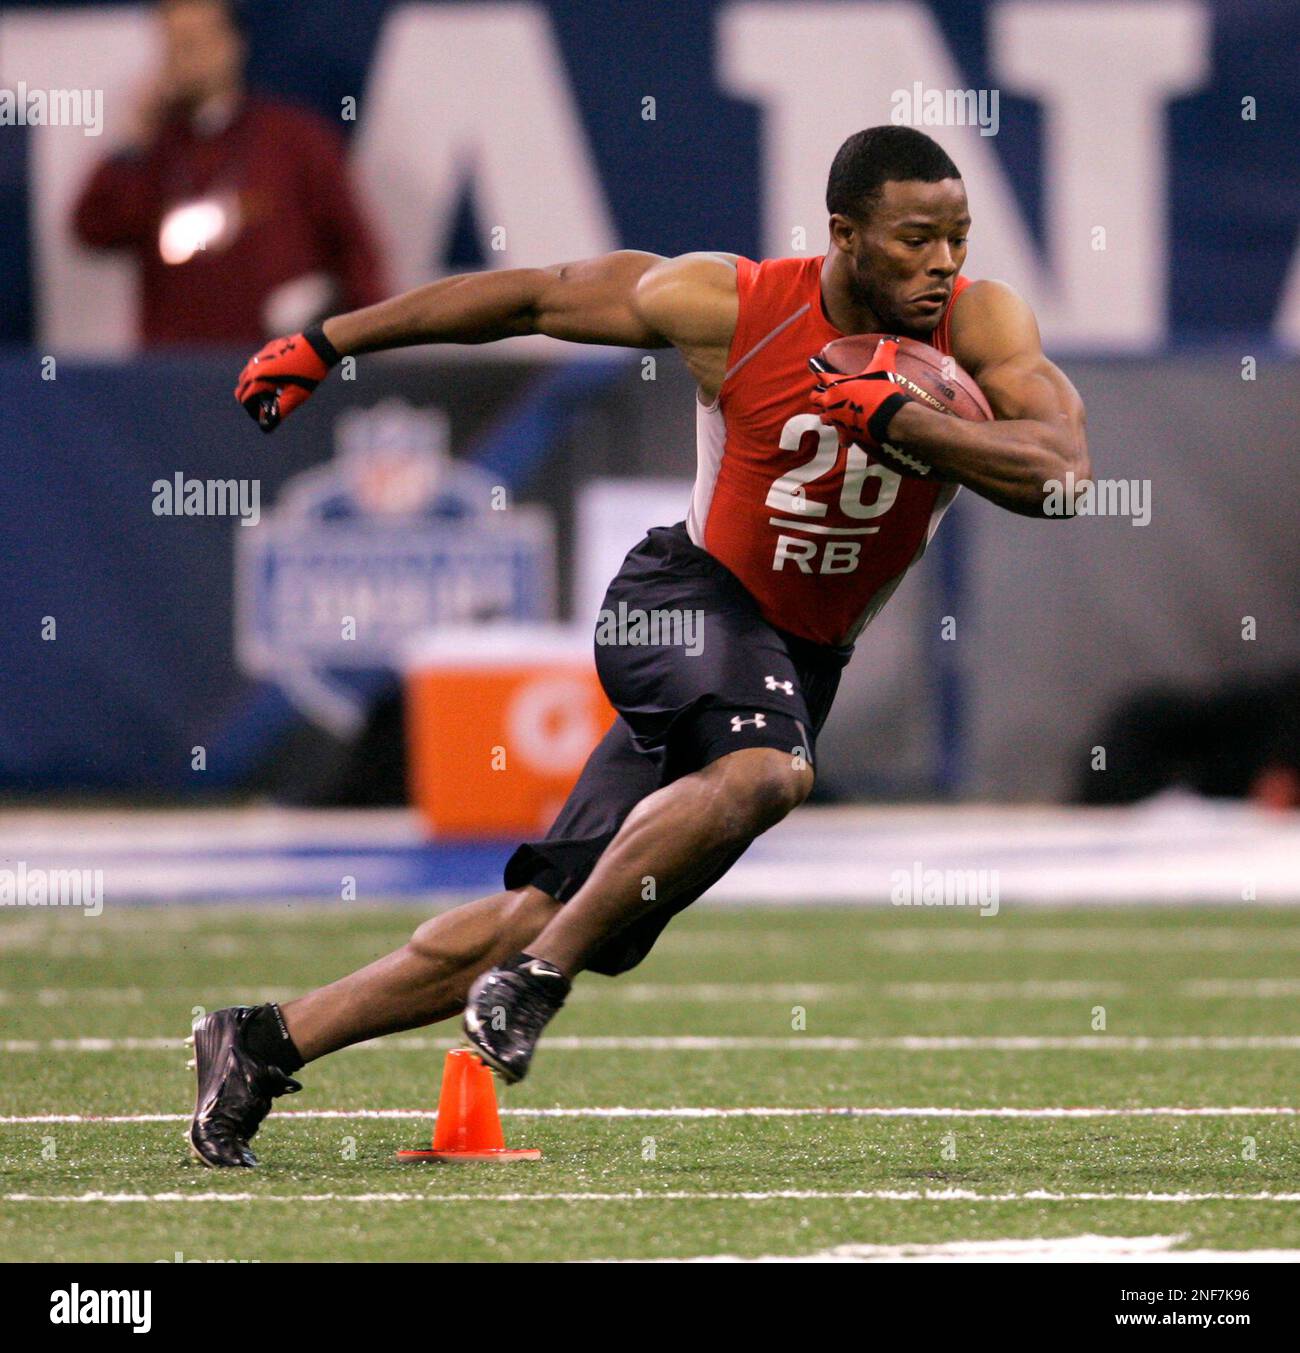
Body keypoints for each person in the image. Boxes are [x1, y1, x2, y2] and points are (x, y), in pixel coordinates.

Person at [189, 125, 1090, 1168]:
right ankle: (539, 981)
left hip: (796, 660)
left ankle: (262, 1040)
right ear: (843, 235)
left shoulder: (980, 328)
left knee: (541, 909)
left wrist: (914, 426)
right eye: (914, 240)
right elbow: (533, 296)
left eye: (957, 239)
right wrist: (333, 340)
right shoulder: (733, 305)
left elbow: (1063, 476)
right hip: (685, 599)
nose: (941, 265)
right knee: (765, 773)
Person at [72, 0, 385, 346]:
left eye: (196, 41)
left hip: (280, 370)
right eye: (174, 44)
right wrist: (131, 141)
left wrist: (358, 345)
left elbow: (357, 253)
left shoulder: (295, 139)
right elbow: (92, 230)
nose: (185, 57)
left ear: (233, 43)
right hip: (174, 376)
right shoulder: (155, 149)